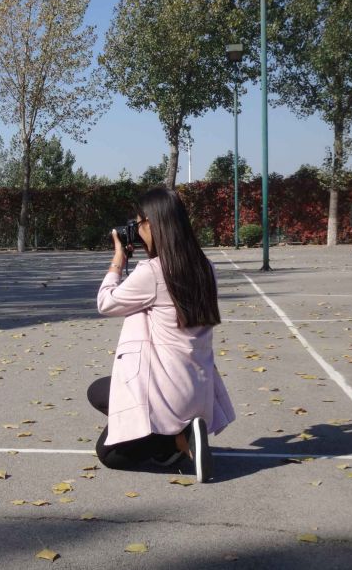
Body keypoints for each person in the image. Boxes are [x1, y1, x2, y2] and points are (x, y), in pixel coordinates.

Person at [89, 187, 235, 482]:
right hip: (198, 390)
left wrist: (118, 259)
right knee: (100, 390)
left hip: (166, 392)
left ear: (153, 224)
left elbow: (106, 302)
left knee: (108, 454)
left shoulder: (153, 272)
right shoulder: (205, 268)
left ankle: (175, 439)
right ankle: (180, 436)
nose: (136, 230)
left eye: (139, 223)